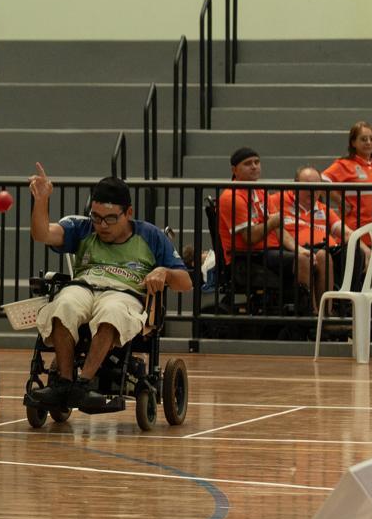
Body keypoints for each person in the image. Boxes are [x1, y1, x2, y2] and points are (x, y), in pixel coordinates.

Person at [27, 165, 191, 409]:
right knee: (63, 304)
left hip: (124, 292)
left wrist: (164, 272)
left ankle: (83, 384)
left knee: (112, 311)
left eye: (110, 218)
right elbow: (42, 234)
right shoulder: (82, 227)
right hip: (84, 285)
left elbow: (185, 282)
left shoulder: (151, 235)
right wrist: (41, 201)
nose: (102, 225)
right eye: (96, 217)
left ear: (128, 213)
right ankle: (64, 383)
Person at [219, 147, 329, 311]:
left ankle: (327, 314)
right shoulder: (232, 196)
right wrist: (273, 222)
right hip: (248, 257)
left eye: (257, 162)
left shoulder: (260, 191)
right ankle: (311, 315)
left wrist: (299, 249)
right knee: (303, 260)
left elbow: (279, 230)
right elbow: (250, 237)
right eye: (248, 164)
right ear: (234, 170)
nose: (254, 166)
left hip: (271, 252)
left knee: (322, 256)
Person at [271, 166, 348, 300]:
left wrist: (366, 249)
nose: (312, 190)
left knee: (355, 252)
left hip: (327, 250)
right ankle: (314, 310)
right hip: (295, 250)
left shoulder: (323, 209)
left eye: (317, 185)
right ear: (296, 185)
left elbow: (346, 232)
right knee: (320, 256)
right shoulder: (277, 200)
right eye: (307, 185)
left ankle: (338, 306)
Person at [322, 122, 372, 231]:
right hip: (354, 231)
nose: (369, 142)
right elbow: (321, 181)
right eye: (364, 139)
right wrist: (340, 201)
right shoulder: (344, 164)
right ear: (353, 142)